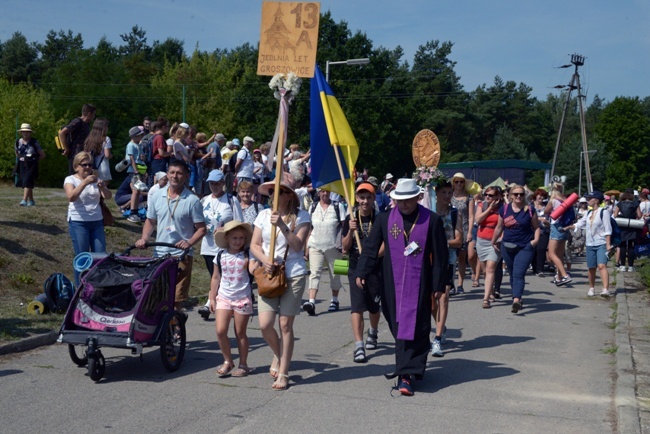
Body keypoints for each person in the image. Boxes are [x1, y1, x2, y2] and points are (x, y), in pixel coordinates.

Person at [355, 178, 448, 396]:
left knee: (417, 326)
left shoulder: (431, 220)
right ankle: (409, 366)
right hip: (391, 282)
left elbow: (441, 256)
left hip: (421, 283)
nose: (404, 205)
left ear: (417, 197)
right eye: (400, 200)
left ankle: (405, 374)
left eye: (408, 200)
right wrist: (362, 271)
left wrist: (439, 284)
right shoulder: (385, 219)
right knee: (399, 326)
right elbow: (370, 247)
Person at [250, 176, 311, 390]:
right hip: (269, 275)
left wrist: (283, 225)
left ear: (288, 196)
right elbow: (255, 244)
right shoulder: (262, 216)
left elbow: (297, 246)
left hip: (292, 273)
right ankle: (279, 354)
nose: (273, 196)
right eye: (271, 192)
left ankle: (284, 372)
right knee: (265, 325)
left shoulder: (302, 217)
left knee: (285, 324)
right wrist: (265, 260)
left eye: (279, 192)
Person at [135, 160, 207, 312]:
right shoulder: (157, 195)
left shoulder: (192, 200)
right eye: (172, 172)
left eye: (179, 173)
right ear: (167, 174)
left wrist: (189, 242)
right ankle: (160, 332)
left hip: (181, 255)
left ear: (186, 176)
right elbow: (150, 220)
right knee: (157, 296)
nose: (175, 176)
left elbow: (201, 229)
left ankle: (175, 330)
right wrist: (144, 238)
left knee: (175, 300)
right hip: (160, 254)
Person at [342, 182, 382, 363]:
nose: (365, 201)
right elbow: (344, 247)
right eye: (362, 197)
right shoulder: (350, 218)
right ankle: (359, 345)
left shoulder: (381, 218)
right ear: (357, 199)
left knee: (374, 306)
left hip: (374, 268)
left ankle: (373, 332)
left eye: (368, 197)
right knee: (357, 306)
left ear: (374, 199)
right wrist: (350, 232)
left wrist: (370, 258)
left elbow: (385, 246)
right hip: (354, 267)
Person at [210, 220, 255, 378]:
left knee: (240, 333)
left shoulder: (248, 255)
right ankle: (228, 361)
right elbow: (216, 277)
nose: (238, 241)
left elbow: (254, 271)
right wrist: (212, 298)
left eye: (241, 238)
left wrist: (252, 264)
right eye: (235, 238)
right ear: (227, 238)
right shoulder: (220, 255)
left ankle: (243, 364)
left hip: (242, 297)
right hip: (224, 296)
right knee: (221, 331)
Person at [197, 169, 243, 320]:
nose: (214, 186)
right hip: (207, 245)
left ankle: (210, 302)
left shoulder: (231, 200)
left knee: (222, 276)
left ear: (223, 183)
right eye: (211, 184)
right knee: (214, 275)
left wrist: (225, 229)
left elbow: (239, 223)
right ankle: (214, 302)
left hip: (224, 246)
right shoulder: (204, 200)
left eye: (217, 183)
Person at [63, 152, 112, 286]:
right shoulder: (70, 180)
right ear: (76, 167)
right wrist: (84, 183)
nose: (87, 168)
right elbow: (71, 197)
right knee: (82, 257)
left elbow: (108, 196)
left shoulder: (95, 179)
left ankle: (96, 287)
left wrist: (102, 187)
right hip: (79, 222)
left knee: (100, 256)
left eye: (90, 165)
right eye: (84, 165)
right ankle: (80, 289)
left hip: (97, 221)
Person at [492, 184, 540, 313]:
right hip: (507, 245)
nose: (519, 196)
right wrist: (493, 240)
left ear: (525, 196)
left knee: (518, 273)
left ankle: (516, 300)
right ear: (511, 196)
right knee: (513, 273)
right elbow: (499, 226)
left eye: (521, 194)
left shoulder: (529, 210)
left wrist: (535, 241)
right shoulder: (505, 209)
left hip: (525, 246)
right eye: (516, 194)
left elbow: (536, 227)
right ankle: (517, 297)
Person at [431, 180, 462, 358]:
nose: (448, 196)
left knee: (444, 296)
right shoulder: (429, 212)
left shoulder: (455, 213)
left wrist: (440, 243)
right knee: (431, 300)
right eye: (444, 192)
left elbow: (458, 240)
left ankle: (437, 337)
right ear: (436, 193)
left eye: (450, 192)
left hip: (448, 260)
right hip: (429, 260)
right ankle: (440, 324)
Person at [302, 189, 346, 315]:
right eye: (322, 192)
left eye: (327, 191)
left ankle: (335, 300)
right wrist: (306, 248)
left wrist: (345, 244)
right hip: (315, 245)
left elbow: (345, 226)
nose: (324, 194)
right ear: (318, 193)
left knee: (337, 273)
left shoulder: (338, 206)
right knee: (314, 273)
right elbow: (309, 228)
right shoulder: (313, 206)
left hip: (334, 246)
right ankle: (311, 302)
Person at [567, 191, 612, 297]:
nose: (587, 200)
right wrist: (568, 227)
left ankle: (605, 289)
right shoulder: (588, 213)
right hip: (590, 244)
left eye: (589, 198)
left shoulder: (603, 212)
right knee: (591, 267)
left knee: (602, 265)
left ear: (596, 200)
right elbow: (579, 224)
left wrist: (608, 245)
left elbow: (608, 230)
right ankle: (592, 288)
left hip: (601, 243)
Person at [475, 186, 504, 308]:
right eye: (486, 194)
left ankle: (485, 299)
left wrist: (499, 239)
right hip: (481, 240)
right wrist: (489, 209)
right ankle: (490, 290)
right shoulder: (482, 205)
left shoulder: (502, 208)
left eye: (491, 195)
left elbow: (503, 226)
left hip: (495, 241)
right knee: (484, 270)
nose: (487, 197)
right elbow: (478, 220)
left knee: (491, 268)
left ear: (497, 197)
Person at [450, 173, 474, 294]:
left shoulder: (469, 198)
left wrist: (469, 232)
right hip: (450, 228)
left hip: (463, 229)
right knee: (450, 258)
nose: (459, 184)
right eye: (457, 182)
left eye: (461, 182)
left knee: (461, 259)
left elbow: (471, 216)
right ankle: (450, 283)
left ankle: (460, 284)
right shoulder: (448, 196)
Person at [545, 182, 572, 286]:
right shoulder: (566, 200)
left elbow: (546, 211)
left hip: (556, 227)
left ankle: (565, 275)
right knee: (560, 255)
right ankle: (559, 277)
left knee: (552, 254)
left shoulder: (553, 200)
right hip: (564, 228)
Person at [59, 103, 96, 175]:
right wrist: (66, 149)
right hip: (74, 154)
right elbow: (62, 133)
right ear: (89, 113)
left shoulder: (87, 124)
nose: (94, 117)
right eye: (94, 114)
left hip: (83, 153)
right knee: (74, 176)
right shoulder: (78, 121)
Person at [14, 123, 45, 206]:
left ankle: (24, 200)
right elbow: (17, 153)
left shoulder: (34, 142)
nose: (25, 133)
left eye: (27, 131)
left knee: (27, 180)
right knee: (27, 181)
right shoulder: (18, 142)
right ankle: (31, 201)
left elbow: (42, 154)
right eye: (23, 131)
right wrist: (21, 158)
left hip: (32, 164)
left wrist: (34, 160)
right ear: (21, 132)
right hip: (22, 164)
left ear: (30, 132)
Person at [614, 190, 642, 272]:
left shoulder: (619, 204)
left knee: (622, 245)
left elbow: (615, 215)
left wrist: (621, 215)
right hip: (632, 226)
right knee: (631, 246)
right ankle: (630, 266)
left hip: (622, 226)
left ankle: (622, 265)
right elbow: (639, 215)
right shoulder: (635, 203)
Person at [83, 118, 112, 183]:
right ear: (103, 128)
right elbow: (107, 155)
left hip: (91, 167)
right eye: (106, 126)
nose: (107, 128)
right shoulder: (106, 139)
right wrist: (111, 155)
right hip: (102, 166)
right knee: (102, 189)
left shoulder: (88, 139)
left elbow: (85, 153)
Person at [531, 188, 551, 276]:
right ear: (536, 196)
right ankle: (534, 268)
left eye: (543, 196)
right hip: (531, 231)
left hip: (544, 231)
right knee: (533, 250)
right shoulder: (530, 206)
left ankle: (540, 269)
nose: (541, 197)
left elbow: (550, 219)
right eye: (540, 195)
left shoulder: (546, 207)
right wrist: (539, 218)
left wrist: (547, 222)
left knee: (541, 249)